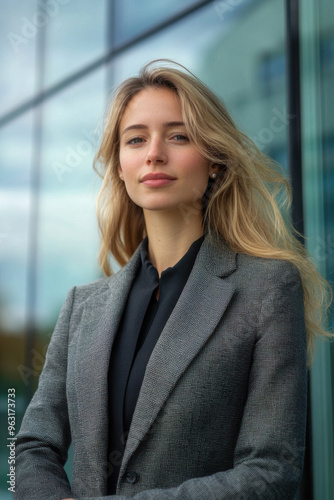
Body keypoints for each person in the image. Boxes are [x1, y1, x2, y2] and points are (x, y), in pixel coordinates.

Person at [14, 60, 332, 500]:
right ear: (121, 167)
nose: (154, 153)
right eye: (136, 139)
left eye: (178, 136)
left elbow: (271, 471)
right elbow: (32, 446)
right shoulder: (81, 306)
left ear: (215, 161)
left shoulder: (268, 288)